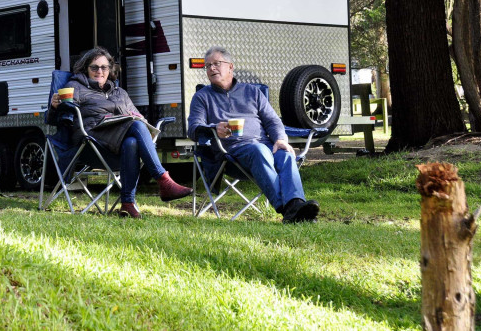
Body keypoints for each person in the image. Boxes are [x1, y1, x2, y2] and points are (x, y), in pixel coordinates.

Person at [48, 47, 192, 218]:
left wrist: (141, 122)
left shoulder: (120, 92)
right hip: (91, 143)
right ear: (85, 68)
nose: (99, 71)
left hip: (117, 148)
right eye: (94, 67)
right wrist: (54, 106)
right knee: (136, 127)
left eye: (104, 67)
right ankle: (164, 180)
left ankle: (127, 203)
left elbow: (137, 116)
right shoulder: (75, 87)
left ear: (110, 70)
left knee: (132, 141)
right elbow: (56, 119)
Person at [187, 46, 319, 223]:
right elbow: (193, 128)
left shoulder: (252, 92)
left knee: (286, 152)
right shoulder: (202, 97)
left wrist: (280, 139)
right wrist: (213, 128)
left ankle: (295, 205)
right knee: (259, 150)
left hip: (264, 145)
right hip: (231, 154)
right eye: (208, 66)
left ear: (230, 67)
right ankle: (288, 209)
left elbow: (272, 120)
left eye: (216, 64)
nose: (211, 68)